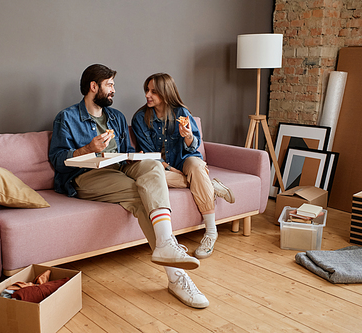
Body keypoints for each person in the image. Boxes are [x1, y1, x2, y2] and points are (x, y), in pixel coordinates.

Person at [49, 64, 209, 308]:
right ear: (94, 87)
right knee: (140, 193)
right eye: (109, 85)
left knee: (152, 166)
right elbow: (59, 161)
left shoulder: (116, 117)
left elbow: (128, 152)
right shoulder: (67, 118)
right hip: (85, 175)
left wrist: (139, 156)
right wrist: (89, 149)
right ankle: (177, 277)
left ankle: (166, 244)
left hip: (120, 166)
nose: (114, 90)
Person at [132, 73, 235, 260]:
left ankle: (211, 233)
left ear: (166, 92)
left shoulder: (181, 113)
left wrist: (187, 135)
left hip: (185, 159)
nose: (148, 95)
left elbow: (194, 146)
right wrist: (171, 170)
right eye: (147, 90)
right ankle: (209, 185)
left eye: (153, 91)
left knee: (196, 167)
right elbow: (150, 155)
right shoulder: (140, 118)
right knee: (154, 177)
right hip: (161, 167)